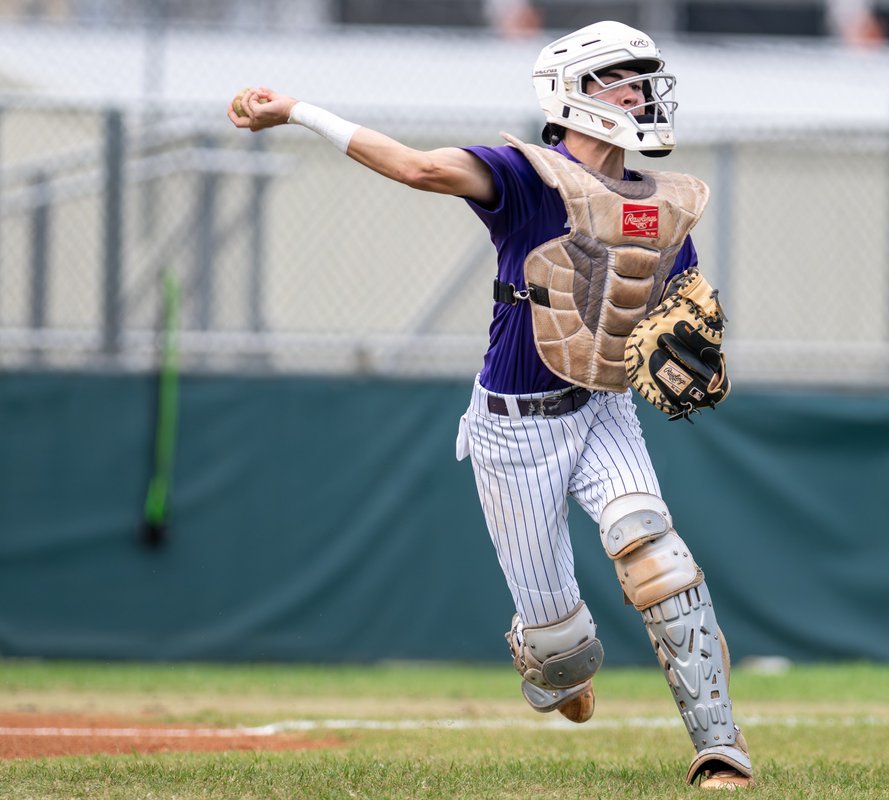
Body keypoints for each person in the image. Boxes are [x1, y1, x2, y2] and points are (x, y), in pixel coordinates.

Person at [228, 20, 754, 790]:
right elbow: (414, 167)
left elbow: (678, 306)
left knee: (655, 552)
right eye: (625, 81)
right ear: (575, 94)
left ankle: (721, 750)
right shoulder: (520, 175)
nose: (643, 95)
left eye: (645, 81)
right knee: (566, 663)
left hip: (603, 410)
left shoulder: (661, 202)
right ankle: (551, 655)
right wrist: (299, 110)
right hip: (514, 432)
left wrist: (692, 333)